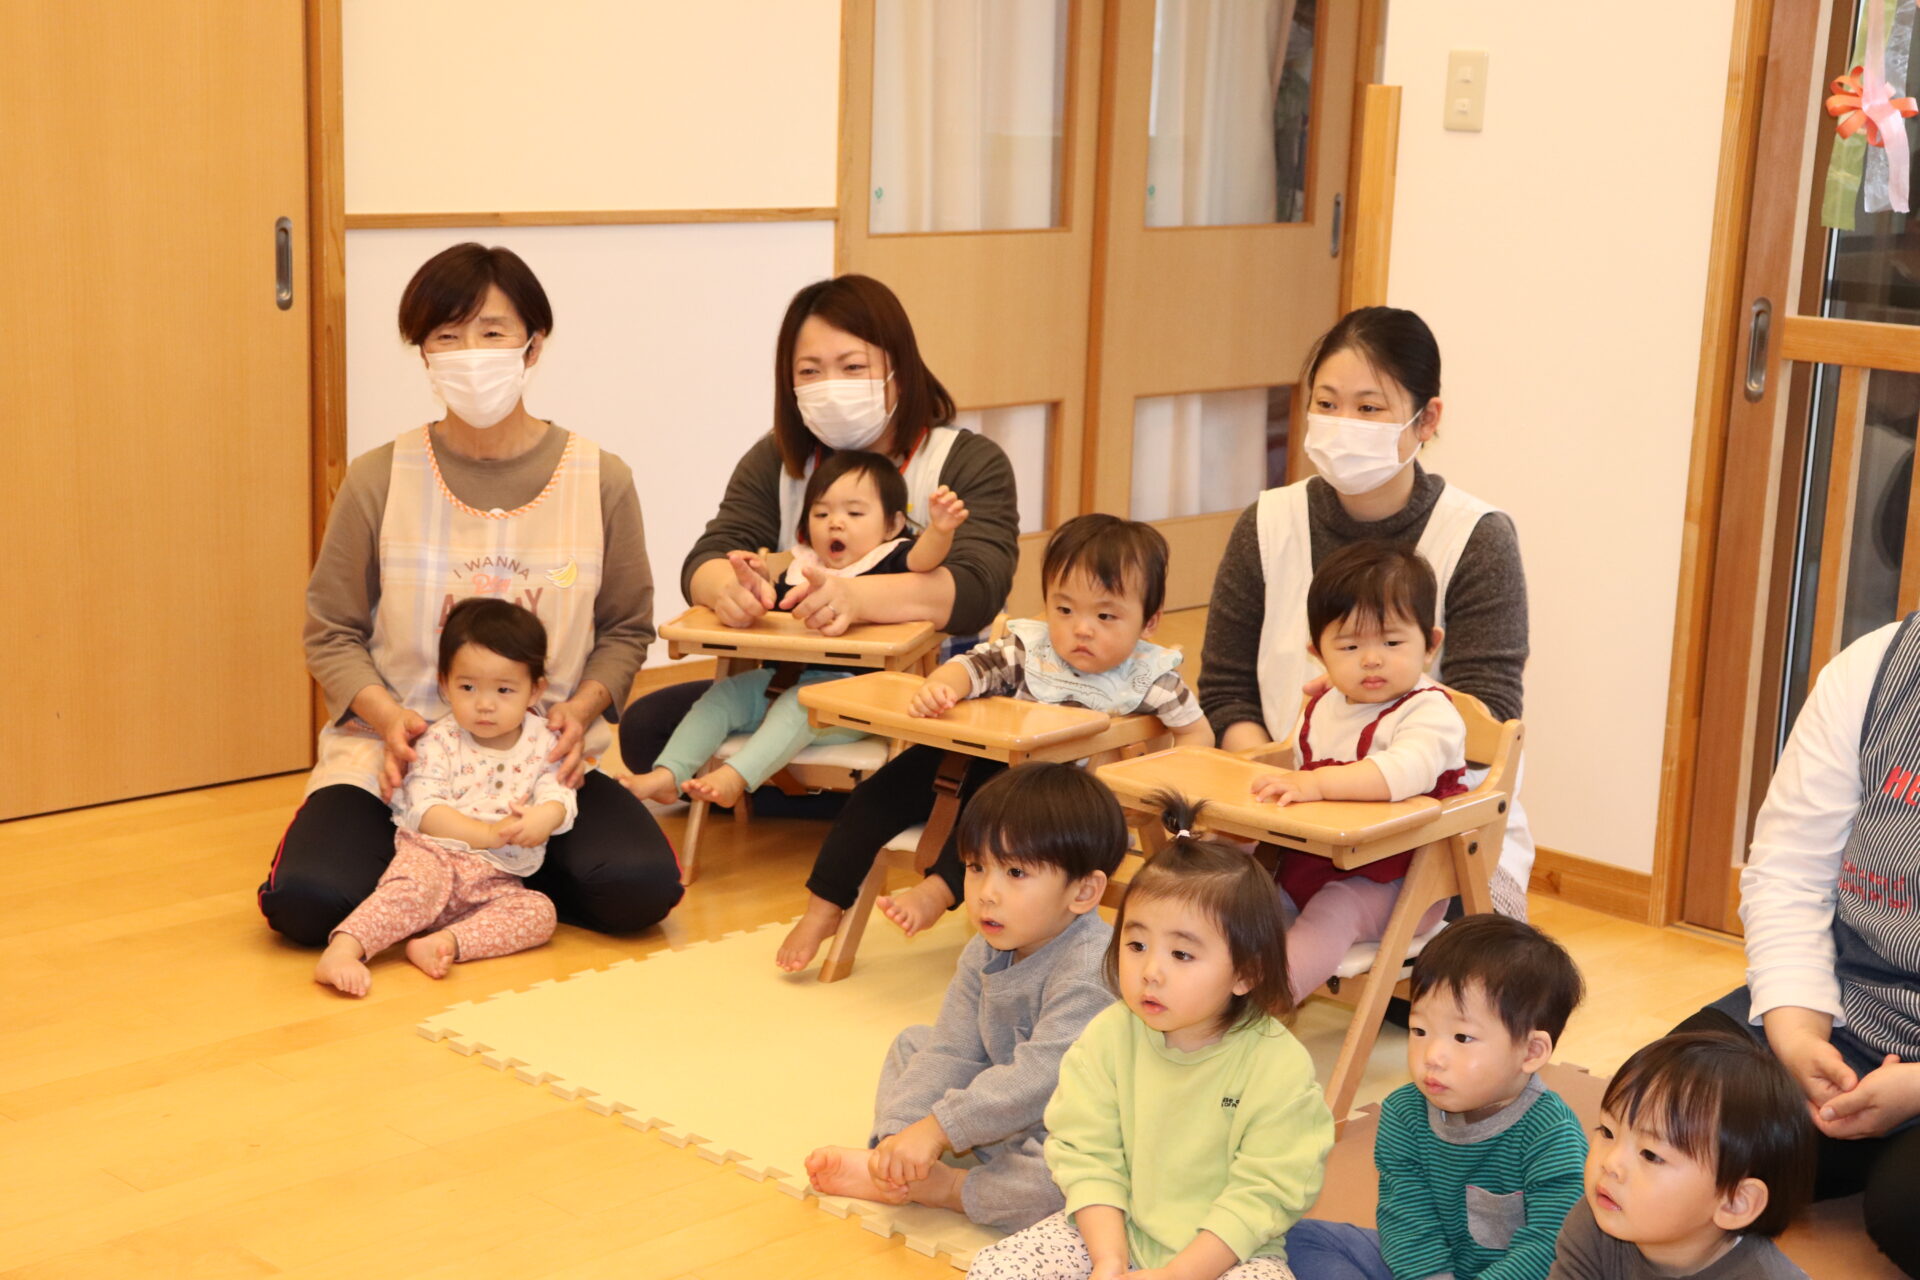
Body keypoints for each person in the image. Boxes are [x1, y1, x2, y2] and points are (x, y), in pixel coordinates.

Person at [261, 242, 682, 947]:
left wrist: (579, 712)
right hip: (397, 760)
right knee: (307, 904)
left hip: (538, 764)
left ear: (533, 345)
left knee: (639, 890)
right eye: (447, 337)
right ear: (424, 354)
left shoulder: (600, 479)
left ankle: (462, 880)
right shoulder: (378, 477)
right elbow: (330, 630)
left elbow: (626, 629)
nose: (470, 354)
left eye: (491, 333)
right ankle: (464, 874)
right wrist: (389, 721)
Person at [1200, 306, 1534, 917]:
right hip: (1278, 815)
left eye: (1369, 408)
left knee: (1467, 966)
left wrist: (1350, 797)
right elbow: (1226, 691)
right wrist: (1274, 784)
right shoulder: (1269, 523)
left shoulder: (1476, 537)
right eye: (1327, 404)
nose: (1343, 425)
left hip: (1433, 831)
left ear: (1426, 419)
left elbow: (1487, 720)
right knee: (1188, 918)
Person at [618, 273, 1021, 780]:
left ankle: (796, 788)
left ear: (900, 370)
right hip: (797, 678)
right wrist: (730, 591)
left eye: (852, 367)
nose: (831, 386)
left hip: (931, 691)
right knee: (645, 729)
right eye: (810, 371)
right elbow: (710, 555)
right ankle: (823, 789)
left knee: (977, 769)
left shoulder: (964, 460)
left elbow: (977, 588)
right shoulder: (779, 460)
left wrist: (854, 599)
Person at [775, 514, 1214, 973]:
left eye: (1105, 616)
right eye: (1065, 610)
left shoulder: (1150, 678)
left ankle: (937, 891)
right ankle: (823, 908)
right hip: (973, 755)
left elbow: (1196, 734)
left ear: (1149, 622)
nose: (1082, 629)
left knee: (991, 820)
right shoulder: (1030, 649)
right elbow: (974, 665)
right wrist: (943, 687)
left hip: (1049, 799)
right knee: (873, 796)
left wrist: (1154, 784)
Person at [965, 793, 1335, 1280]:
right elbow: (1086, 1152)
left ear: (1246, 973)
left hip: (1227, 1256)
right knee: (996, 1268)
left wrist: (1178, 1274)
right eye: (1137, 944)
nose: (1150, 971)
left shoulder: (1277, 1065)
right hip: (1112, 1232)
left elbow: (1267, 1192)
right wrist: (1109, 1260)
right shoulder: (1108, 1036)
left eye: (1181, 955)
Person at [1676, 612, 1920, 1276]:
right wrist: (1797, 1033)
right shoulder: (1874, 670)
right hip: (1849, 1009)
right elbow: (1788, 870)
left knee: (1908, 1212)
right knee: (1669, 1112)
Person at [801, 764, 1123, 1230]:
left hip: (1068, 1119)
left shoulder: (1093, 968)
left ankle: (949, 1189)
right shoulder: (985, 947)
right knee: (914, 1044)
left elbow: (1039, 1078)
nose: (986, 893)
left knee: (1068, 1181)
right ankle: (895, 1168)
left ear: (1084, 891)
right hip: (995, 1112)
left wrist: (939, 1128)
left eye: (1016, 872)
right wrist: (902, 1135)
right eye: (975, 867)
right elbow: (952, 1048)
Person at [622, 450, 968, 810]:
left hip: (860, 701)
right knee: (722, 695)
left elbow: (925, 559)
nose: (835, 523)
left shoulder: (891, 559)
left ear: (893, 525)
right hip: (781, 682)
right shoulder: (799, 565)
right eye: (821, 513)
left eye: (854, 513)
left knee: (800, 704)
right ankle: (669, 774)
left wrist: (940, 530)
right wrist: (757, 584)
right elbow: (770, 613)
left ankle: (734, 777)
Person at [1286, 914, 1588, 1280]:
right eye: (1420, 1030)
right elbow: (1407, 1222)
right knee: (1299, 1239)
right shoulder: (1404, 1113)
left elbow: (1548, 1247)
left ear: (1530, 1052)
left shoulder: (1551, 1134)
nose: (1432, 1056)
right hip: (1428, 1270)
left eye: (1462, 1037)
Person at [314, 599, 571, 996]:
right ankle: (344, 951)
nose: (484, 704)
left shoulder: (544, 742)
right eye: (467, 688)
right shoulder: (439, 740)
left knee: (539, 911)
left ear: (535, 689)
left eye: (504, 690)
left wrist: (545, 817)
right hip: (434, 856)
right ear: (444, 683)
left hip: (496, 876)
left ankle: (444, 942)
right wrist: (487, 834)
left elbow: (559, 790)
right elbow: (425, 808)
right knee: (409, 892)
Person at [1249, 540, 1468, 1002]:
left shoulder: (1430, 713)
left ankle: (1263, 1005)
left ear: (1430, 645)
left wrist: (1315, 783)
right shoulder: (1322, 705)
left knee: (1335, 909)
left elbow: (1400, 773)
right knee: (1247, 900)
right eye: (1349, 646)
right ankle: (1215, 992)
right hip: (1315, 864)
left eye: (1392, 642)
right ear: (1319, 653)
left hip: (1401, 882)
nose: (1371, 659)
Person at [1549, 1031, 1815, 1280]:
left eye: (1651, 1155)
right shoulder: (1594, 1222)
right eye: (1608, 1132)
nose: (1610, 1163)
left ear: (1734, 1203)